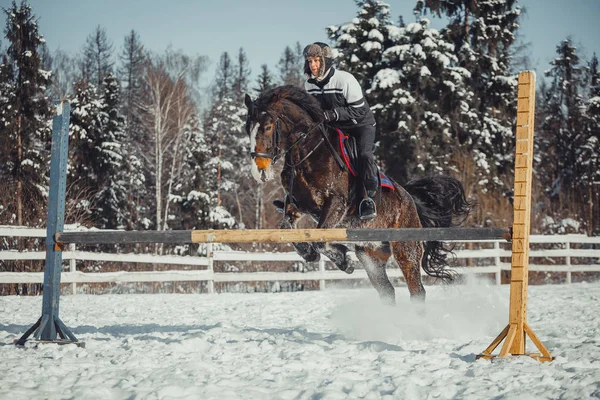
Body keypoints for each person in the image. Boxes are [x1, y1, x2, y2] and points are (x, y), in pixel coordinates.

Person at [303, 42, 378, 220]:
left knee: (364, 155)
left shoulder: (345, 80)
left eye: (316, 60)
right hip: (336, 127)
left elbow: (359, 110)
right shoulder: (309, 85)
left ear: (326, 61)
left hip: (360, 125)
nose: (313, 65)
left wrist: (331, 115)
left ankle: (368, 198)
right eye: (310, 61)